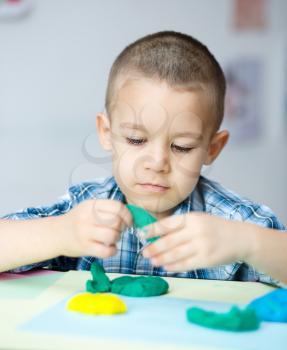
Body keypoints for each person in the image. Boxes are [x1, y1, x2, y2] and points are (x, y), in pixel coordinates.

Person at [0, 31, 285, 285]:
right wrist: (60, 233)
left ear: (212, 148)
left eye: (182, 146)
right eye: (137, 140)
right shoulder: (85, 206)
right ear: (107, 133)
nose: (157, 162)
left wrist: (249, 243)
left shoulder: (234, 221)